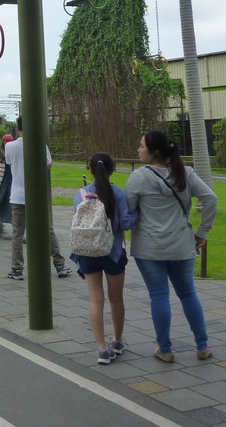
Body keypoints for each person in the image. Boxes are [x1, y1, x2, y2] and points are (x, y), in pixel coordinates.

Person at [126, 130, 218, 363]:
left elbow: (129, 211)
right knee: (188, 293)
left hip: (149, 248)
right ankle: (202, 346)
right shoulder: (185, 173)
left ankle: (165, 349)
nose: (138, 150)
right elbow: (211, 199)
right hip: (181, 244)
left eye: (142, 146)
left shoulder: (138, 177)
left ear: (154, 151)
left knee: (159, 296)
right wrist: (203, 232)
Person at [70, 152, 136, 365]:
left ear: (90, 170)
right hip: (113, 252)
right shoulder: (117, 193)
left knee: (95, 300)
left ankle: (102, 349)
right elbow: (125, 223)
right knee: (116, 298)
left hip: (87, 252)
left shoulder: (81, 194)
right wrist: (138, 214)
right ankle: (117, 341)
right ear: (112, 170)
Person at [3, 116, 72, 280]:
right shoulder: (40, 144)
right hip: (37, 196)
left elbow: (10, 163)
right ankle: (59, 264)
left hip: (18, 195)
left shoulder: (10, 146)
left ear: (18, 128)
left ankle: (17, 268)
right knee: (48, 230)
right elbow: (49, 164)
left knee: (17, 234)